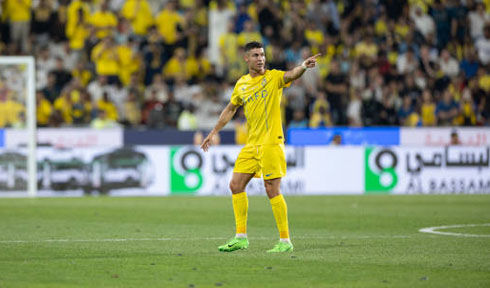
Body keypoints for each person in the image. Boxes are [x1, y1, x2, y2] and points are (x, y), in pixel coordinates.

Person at [200, 41, 320, 253]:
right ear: (246, 59)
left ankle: (285, 241)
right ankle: (241, 237)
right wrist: (213, 132)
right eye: (255, 55)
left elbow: (291, 75)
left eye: (262, 54)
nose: (260, 58)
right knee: (235, 185)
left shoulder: (273, 78)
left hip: (271, 141)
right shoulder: (242, 84)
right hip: (252, 144)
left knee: (271, 189)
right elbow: (230, 109)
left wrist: (302, 66)